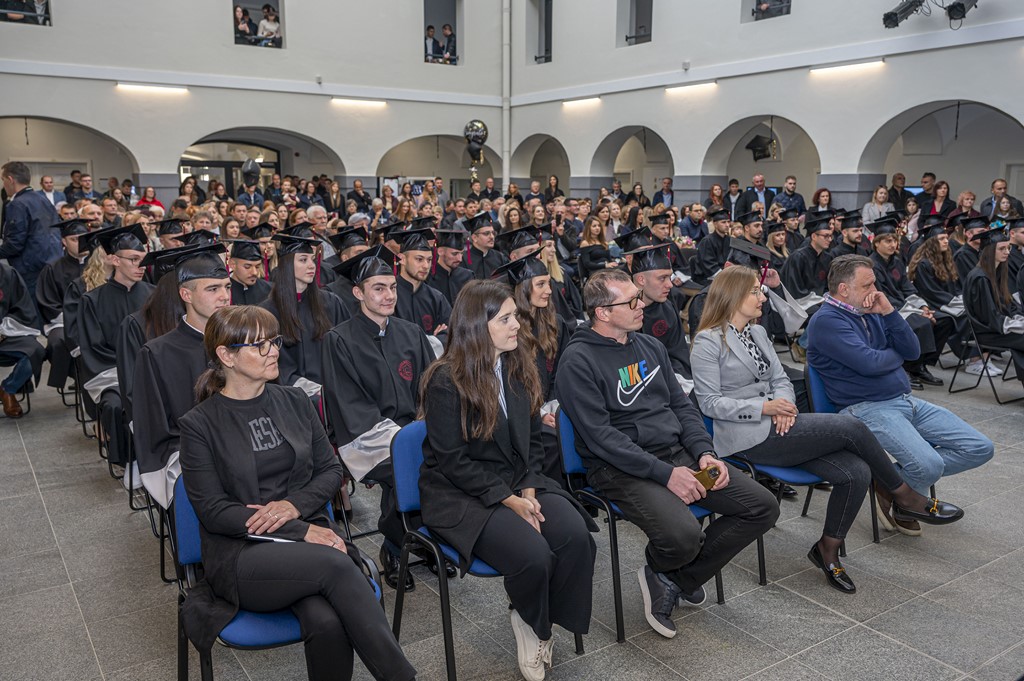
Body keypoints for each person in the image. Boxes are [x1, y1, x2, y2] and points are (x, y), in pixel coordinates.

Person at [178, 305, 415, 681]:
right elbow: (213, 511)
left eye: (274, 341)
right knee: (337, 565)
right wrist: (300, 529)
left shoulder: (294, 401)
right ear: (226, 355)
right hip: (243, 553)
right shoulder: (199, 425)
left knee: (327, 621)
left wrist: (292, 506)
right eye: (260, 345)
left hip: (307, 542)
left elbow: (330, 470)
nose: (274, 350)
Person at [693, 267, 963, 592]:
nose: (762, 296)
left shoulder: (758, 333)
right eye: (755, 291)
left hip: (782, 426)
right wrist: (765, 408)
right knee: (851, 427)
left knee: (856, 470)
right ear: (733, 296)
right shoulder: (708, 342)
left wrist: (784, 405)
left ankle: (827, 550)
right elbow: (710, 404)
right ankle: (904, 495)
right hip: (747, 437)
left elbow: (781, 379)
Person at [556, 269, 778, 639]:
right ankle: (671, 565)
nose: (641, 304)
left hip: (677, 454)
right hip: (620, 468)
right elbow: (603, 439)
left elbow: (683, 408)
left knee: (762, 506)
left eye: (638, 297)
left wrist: (705, 453)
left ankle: (668, 575)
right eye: (630, 302)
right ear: (602, 313)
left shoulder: (649, 346)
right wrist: (666, 474)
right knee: (684, 536)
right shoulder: (577, 362)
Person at [419, 279, 596, 681]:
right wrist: (510, 501)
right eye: (507, 318)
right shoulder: (446, 380)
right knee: (534, 555)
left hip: (517, 479)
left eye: (515, 315)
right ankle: (536, 627)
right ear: (477, 327)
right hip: (461, 492)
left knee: (575, 537)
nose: (517, 324)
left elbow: (534, 440)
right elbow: (452, 461)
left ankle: (532, 613)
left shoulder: (517, 365)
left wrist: (530, 487)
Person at [808, 255, 993, 535]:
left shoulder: (871, 309)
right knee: (928, 465)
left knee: (980, 448)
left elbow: (913, 351)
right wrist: (896, 356)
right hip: (866, 408)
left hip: (905, 400)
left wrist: (889, 312)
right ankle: (904, 494)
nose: (876, 290)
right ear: (844, 289)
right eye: (868, 285)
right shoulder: (827, 321)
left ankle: (888, 484)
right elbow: (870, 364)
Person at [321, 245, 441, 592]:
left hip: (411, 430)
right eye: (378, 288)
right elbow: (348, 404)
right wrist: (405, 438)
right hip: (365, 437)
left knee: (441, 460)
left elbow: (426, 389)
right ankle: (396, 546)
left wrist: (420, 427)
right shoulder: (339, 339)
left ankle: (421, 538)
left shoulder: (410, 332)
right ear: (358, 292)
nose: (389, 295)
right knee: (413, 466)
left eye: (392, 287)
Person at [131, 245, 231, 507]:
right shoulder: (156, 354)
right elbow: (155, 430)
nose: (224, 296)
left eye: (227, 287)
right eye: (213, 289)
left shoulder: (241, 340)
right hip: (188, 453)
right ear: (186, 293)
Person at [79, 225, 155, 466]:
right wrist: (128, 370)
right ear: (114, 259)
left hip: (151, 371)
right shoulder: (92, 300)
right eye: (133, 260)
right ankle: (129, 462)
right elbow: (93, 347)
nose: (140, 266)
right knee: (115, 405)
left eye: (143, 260)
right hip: (112, 375)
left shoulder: (154, 295)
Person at [259, 227, 349, 398]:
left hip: (334, 392)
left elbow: (346, 347)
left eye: (312, 259)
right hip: (291, 398)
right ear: (286, 265)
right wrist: (312, 391)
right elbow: (278, 366)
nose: (311, 265)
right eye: (303, 260)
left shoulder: (331, 302)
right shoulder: (268, 312)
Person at [869, 217, 954, 389]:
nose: (893, 244)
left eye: (894, 240)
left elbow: (907, 288)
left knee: (946, 320)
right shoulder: (872, 265)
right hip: (886, 310)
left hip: (905, 306)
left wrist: (922, 306)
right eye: (888, 241)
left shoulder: (897, 262)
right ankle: (905, 367)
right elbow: (882, 296)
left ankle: (920, 365)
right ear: (877, 243)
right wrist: (915, 311)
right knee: (922, 323)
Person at [963, 226, 1024, 390]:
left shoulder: (996, 273)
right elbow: (989, 316)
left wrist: (1019, 318)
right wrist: (1016, 325)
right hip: (986, 331)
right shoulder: (980, 277)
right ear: (989, 251)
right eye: (1002, 249)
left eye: (1008, 248)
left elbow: (1009, 304)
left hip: (998, 327)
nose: (1007, 252)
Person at [35, 218, 89, 391]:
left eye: (83, 237)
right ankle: (79, 376)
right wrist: (74, 320)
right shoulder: (52, 269)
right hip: (63, 321)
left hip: (96, 320)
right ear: (64, 242)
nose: (80, 243)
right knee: (58, 342)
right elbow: (48, 303)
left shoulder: (98, 266)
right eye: (74, 239)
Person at [628, 244, 692, 384]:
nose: (670, 285)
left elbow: (678, 352)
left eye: (669, 277)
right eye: (662, 278)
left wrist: (678, 379)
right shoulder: (621, 313)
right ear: (641, 280)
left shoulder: (667, 309)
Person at [1, 161, 61, 302]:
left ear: (10, 180)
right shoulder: (44, 199)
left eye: (3, 180)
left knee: (32, 313)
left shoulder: (17, 204)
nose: (3, 185)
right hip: (52, 264)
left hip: (30, 269)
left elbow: (15, 244)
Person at [0, 260, 44, 418]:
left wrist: (3, 331)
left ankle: (8, 389)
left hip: (6, 335)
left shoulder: (7, 274)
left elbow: (22, 308)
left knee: (35, 351)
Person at [392, 227, 451, 342]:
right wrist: (432, 340)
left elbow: (451, 331)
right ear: (402, 259)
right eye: (419, 259)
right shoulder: (389, 296)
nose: (426, 266)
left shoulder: (436, 297)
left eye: (429, 260)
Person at [425, 226, 474, 306]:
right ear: (440, 251)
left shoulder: (467, 276)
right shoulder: (427, 277)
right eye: (454, 254)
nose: (460, 259)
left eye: (461, 253)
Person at [690, 208, 732, 285]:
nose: (727, 225)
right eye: (723, 222)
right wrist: (725, 277)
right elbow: (709, 266)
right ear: (715, 224)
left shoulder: (729, 240)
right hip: (707, 278)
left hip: (725, 276)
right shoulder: (707, 241)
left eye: (728, 222)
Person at [466, 211, 509, 280]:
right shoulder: (464, 259)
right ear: (474, 238)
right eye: (486, 233)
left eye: (493, 233)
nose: (492, 237)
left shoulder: (500, 257)